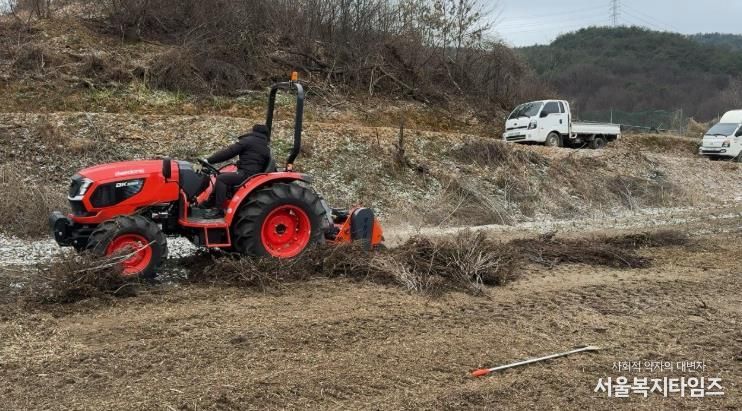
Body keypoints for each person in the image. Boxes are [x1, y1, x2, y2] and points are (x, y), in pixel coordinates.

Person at [199, 124, 271, 218]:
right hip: (253, 174)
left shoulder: (248, 141)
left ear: (254, 131)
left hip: (247, 174)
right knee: (223, 175)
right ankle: (212, 201)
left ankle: (219, 210)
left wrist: (209, 160)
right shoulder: (265, 146)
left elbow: (229, 152)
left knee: (221, 179)